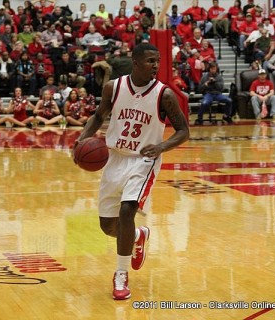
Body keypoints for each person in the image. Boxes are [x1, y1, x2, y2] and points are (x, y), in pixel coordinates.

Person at [74, 43, 189, 300]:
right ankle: (138, 236)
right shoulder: (113, 88)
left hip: (143, 160)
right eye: (150, 61)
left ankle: (121, 274)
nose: (156, 66)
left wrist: (161, 146)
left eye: (157, 61)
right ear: (135, 63)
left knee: (128, 211)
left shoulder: (165, 95)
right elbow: (98, 116)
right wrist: (82, 138)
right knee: (108, 226)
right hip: (114, 157)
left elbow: (183, 131)